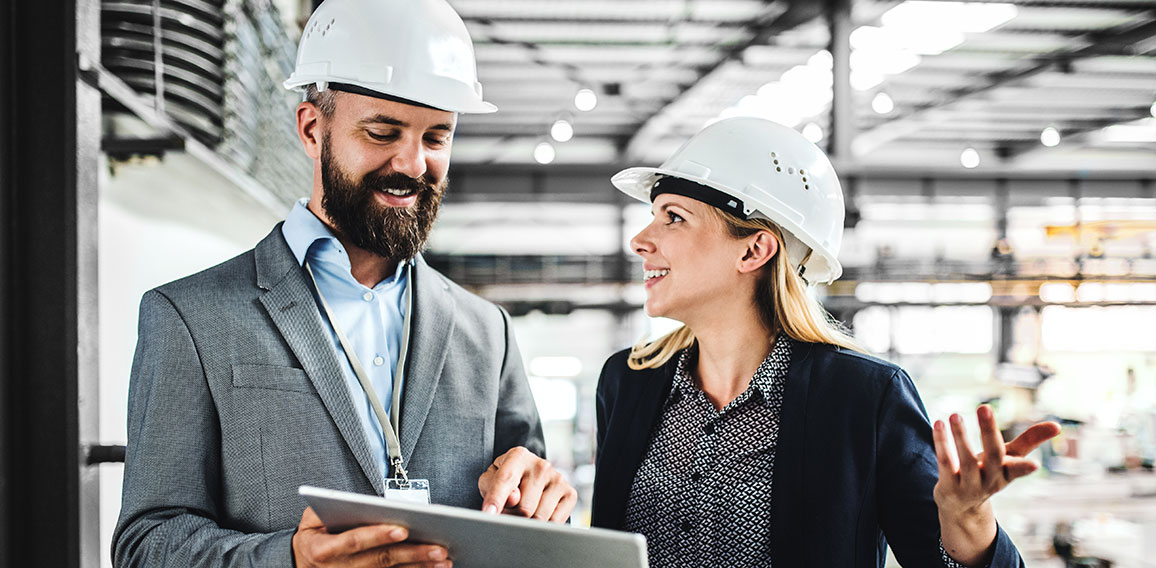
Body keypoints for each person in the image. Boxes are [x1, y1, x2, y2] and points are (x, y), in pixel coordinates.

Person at [113, 1, 575, 566]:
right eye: (383, 132)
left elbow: (531, 532)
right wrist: (289, 560)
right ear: (312, 128)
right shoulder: (189, 318)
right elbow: (145, 545)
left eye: (437, 137)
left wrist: (545, 503)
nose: (413, 163)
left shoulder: (488, 334)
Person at [591, 116, 1060, 567]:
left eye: (673, 218)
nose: (640, 240)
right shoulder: (628, 381)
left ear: (754, 249)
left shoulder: (864, 397)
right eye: (652, 215)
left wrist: (968, 517)